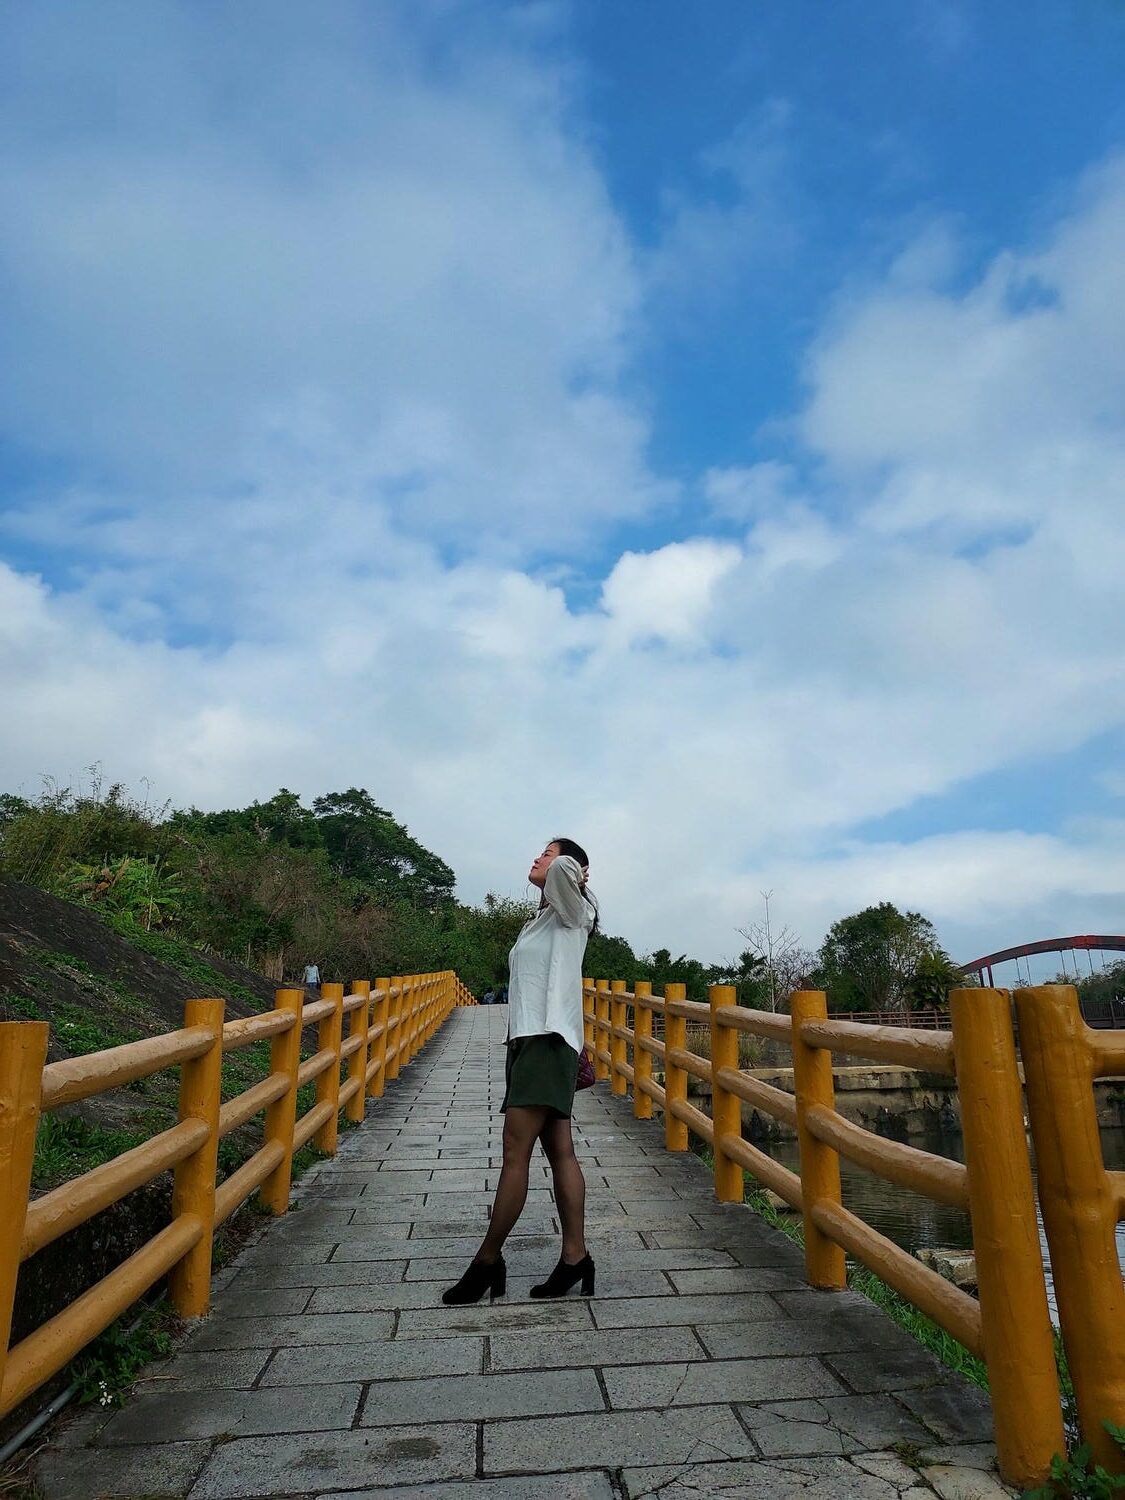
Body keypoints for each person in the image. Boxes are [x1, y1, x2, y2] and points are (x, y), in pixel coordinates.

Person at [442, 837, 598, 1304]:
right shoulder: (545, 919)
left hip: (546, 1041)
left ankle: (487, 1262)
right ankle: (576, 1259)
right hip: (531, 1040)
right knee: (559, 1151)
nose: (538, 858)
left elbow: (567, 872)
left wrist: (569, 864)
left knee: (515, 1152)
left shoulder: (576, 909)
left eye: (547, 853)